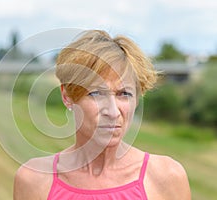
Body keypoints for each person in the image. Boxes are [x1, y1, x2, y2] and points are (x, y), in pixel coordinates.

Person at [13, 30, 191, 200]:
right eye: (96, 93)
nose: (113, 112)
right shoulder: (33, 180)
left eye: (124, 94)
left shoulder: (167, 178)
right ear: (67, 96)